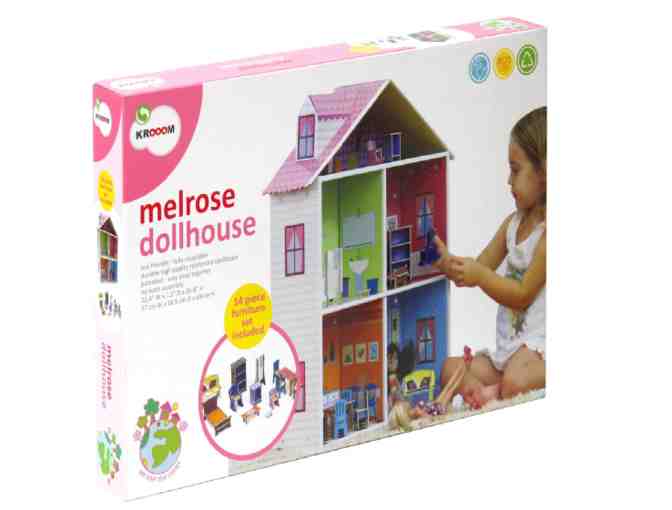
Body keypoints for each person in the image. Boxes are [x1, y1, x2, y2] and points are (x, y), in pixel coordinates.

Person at [433, 106, 547, 409]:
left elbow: (521, 295)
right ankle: (488, 394)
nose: (509, 181)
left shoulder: (549, 234)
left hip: (537, 351)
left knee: (516, 381)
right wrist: (449, 264)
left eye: (516, 170)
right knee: (450, 367)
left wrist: (480, 276)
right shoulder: (512, 224)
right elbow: (480, 266)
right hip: (506, 352)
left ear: (545, 173)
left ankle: (497, 392)